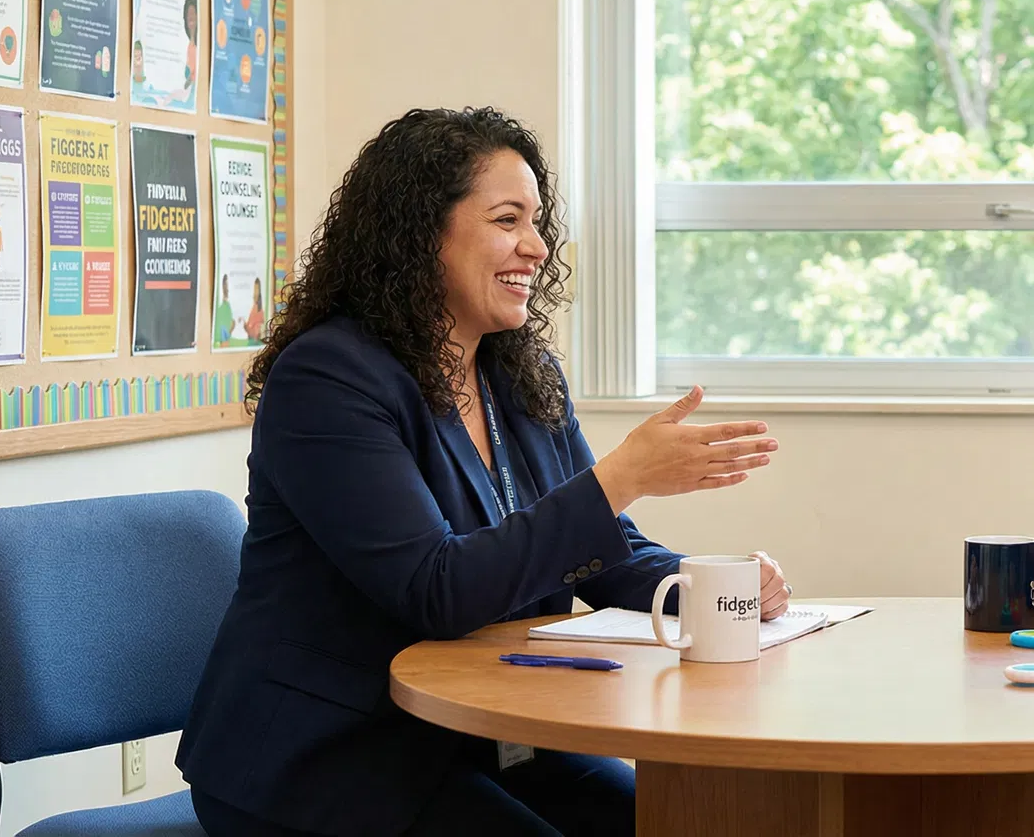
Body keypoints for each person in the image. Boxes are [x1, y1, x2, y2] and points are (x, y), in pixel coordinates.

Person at [179, 107, 794, 837]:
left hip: (482, 741)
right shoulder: (328, 379)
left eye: (536, 222)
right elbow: (435, 589)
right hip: (326, 758)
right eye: (508, 219)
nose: (536, 246)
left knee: (680, 823)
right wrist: (621, 476)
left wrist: (711, 589)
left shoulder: (521, 374)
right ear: (419, 232)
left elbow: (597, 554)